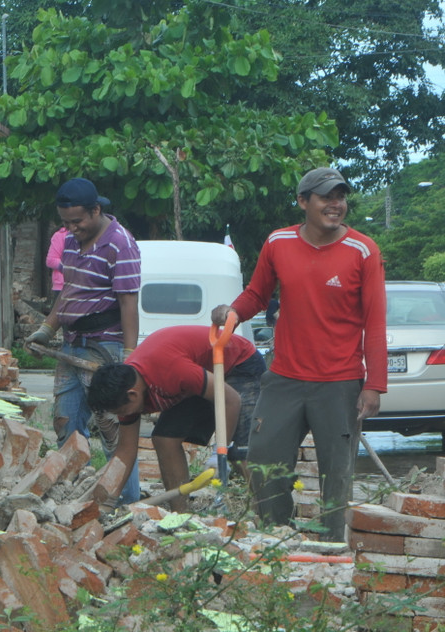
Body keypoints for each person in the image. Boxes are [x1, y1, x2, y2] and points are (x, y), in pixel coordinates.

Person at [211, 166, 386, 541]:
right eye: (326, 197)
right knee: (263, 462)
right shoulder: (278, 243)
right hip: (284, 378)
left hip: (339, 382)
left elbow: (375, 321)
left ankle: (332, 548)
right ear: (303, 201)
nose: (335, 205)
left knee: (335, 475)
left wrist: (375, 385)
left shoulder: (363, 250)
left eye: (340, 197)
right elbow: (258, 293)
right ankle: (278, 537)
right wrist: (233, 312)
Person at [25, 177, 142, 503]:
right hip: (71, 345)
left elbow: (128, 303)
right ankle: (79, 501)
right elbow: (68, 292)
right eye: (65, 223)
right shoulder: (71, 242)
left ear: (96, 210)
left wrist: (129, 357)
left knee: (113, 432)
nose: (71, 229)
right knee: (67, 428)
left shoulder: (120, 243)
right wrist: (47, 329)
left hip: (105, 347)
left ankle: (126, 505)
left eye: (77, 221)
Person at [86, 326, 264, 511]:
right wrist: (107, 500)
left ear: (133, 395)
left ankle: (267, 516)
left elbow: (231, 399)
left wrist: (220, 451)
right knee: (165, 439)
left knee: (241, 452)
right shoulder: (127, 389)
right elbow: (125, 451)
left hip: (238, 365)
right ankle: (181, 515)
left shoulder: (170, 370)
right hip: (198, 375)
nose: (122, 415)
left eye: (122, 410)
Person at [45, 226, 68, 305]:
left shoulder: (90, 235)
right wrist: (69, 269)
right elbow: (51, 260)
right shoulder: (60, 236)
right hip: (62, 287)